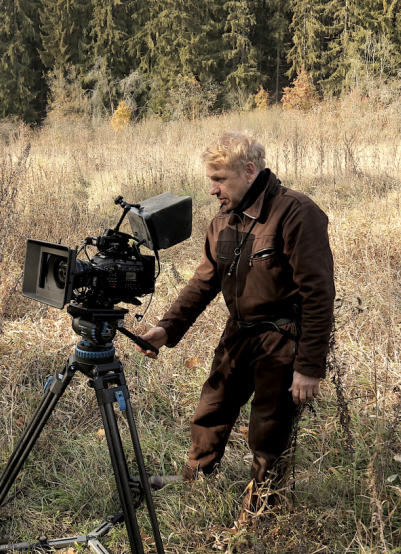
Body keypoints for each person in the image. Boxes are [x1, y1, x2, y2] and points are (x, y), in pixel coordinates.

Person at [137, 131, 335, 515]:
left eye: (219, 179)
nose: (212, 189)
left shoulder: (296, 212)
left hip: (282, 339)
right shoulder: (223, 221)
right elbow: (203, 282)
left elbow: (318, 294)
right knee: (211, 407)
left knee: (268, 429)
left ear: (248, 171)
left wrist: (309, 367)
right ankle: (195, 478)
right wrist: (166, 329)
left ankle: (262, 507)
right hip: (237, 334)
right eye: (210, 179)